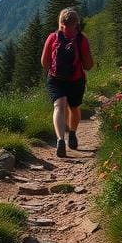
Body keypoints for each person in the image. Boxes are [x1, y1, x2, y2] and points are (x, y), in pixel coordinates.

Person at [40, 8, 93, 157]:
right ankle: (72, 134)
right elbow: (89, 65)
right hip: (76, 80)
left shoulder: (53, 37)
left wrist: (56, 69)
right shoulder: (81, 39)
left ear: (61, 22)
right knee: (74, 107)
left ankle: (59, 140)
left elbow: (44, 62)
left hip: (56, 79)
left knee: (59, 107)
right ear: (77, 23)